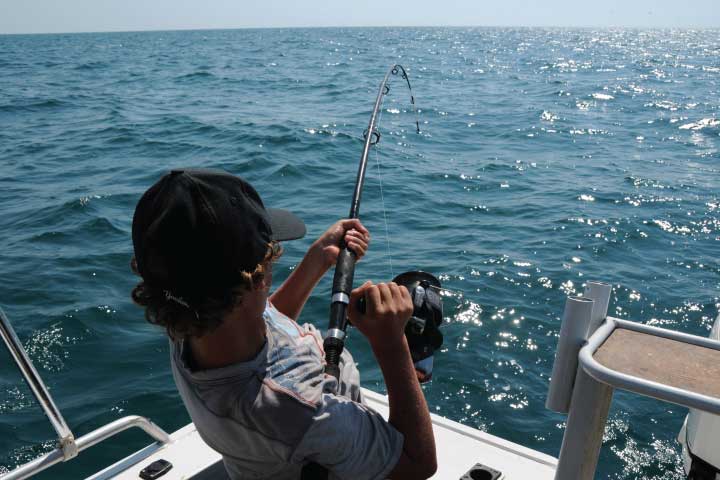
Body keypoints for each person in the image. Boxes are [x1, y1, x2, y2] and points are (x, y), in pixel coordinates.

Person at [130, 168, 437, 479]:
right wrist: (390, 344)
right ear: (255, 281)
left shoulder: (186, 319)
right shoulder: (300, 411)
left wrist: (318, 259)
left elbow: (261, 318)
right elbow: (417, 463)